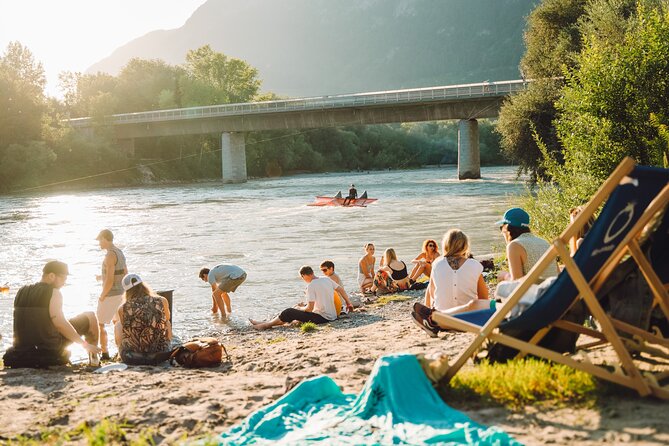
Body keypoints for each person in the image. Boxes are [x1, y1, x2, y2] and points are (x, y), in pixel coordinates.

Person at [3, 261, 102, 367]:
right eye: (63, 279)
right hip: (48, 349)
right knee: (90, 316)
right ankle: (94, 361)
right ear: (51, 276)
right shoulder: (54, 292)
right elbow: (60, 324)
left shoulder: (21, 291)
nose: (64, 283)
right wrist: (84, 344)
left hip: (21, 351)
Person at [249, 265, 351, 330]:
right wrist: (348, 303)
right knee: (293, 314)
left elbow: (309, 309)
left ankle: (265, 326)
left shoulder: (311, 285)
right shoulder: (326, 279)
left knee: (289, 311)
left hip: (322, 318)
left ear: (304, 275)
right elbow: (340, 289)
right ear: (312, 272)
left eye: (302, 278)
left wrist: (300, 308)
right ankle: (267, 323)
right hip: (332, 315)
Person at [114, 274, 172, 365]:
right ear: (143, 285)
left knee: (118, 325)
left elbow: (125, 328)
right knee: (167, 322)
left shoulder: (123, 308)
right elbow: (167, 319)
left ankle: (119, 354)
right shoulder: (162, 300)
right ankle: (165, 346)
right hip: (160, 355)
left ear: (126, 291)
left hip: (133, 357)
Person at [496, 208, 559, 283]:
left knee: (501, 288)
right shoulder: (544, 242)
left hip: (537, 292)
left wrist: (505, 276)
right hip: (555, 289)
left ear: (507, 228)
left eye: (501, 228)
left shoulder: (514, 246)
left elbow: (517, 282)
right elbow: (557, 272)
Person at [96, 229, 127, 361]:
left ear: (105, 238)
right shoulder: (119, 252)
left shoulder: (109, 255)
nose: (99, 243)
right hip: (121, 293)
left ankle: (104, 353)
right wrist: (100, 277)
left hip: (110, 294)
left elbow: (109, 280)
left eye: (99, 240)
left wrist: (102, 295)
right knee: (118, 323)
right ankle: (121, 351)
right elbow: (125, 273)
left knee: (101, 324)